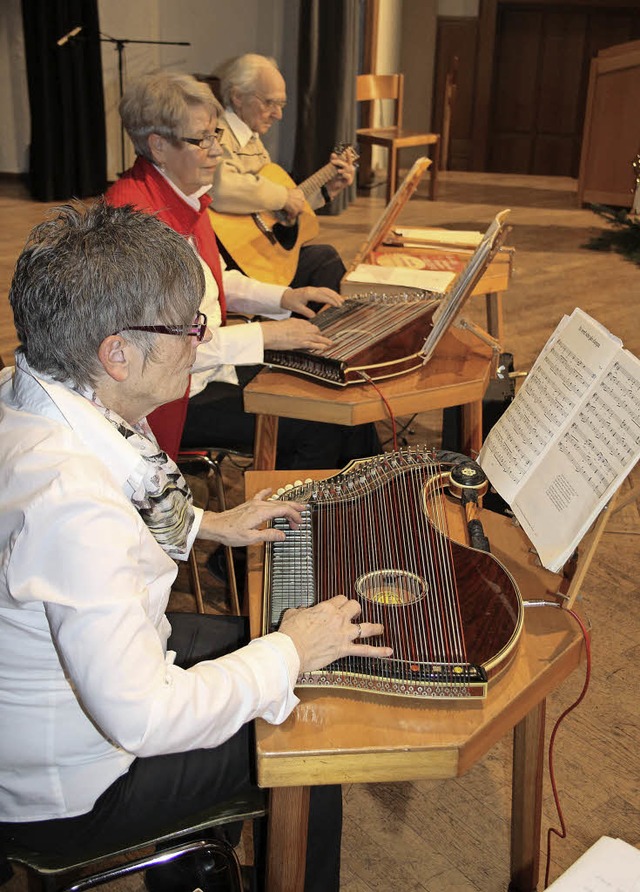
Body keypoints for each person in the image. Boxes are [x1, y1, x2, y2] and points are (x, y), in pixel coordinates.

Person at [0, 201, 392, 892]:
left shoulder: (30, 387)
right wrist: (292, 651)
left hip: (54, 710)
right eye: (186, 327)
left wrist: (212, 525)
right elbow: (143, 717)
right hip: (69, 788)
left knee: (256, 644)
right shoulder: (74, 504)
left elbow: (126, 507)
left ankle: (194, 868)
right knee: (312, 730)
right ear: (114, 353)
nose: (198, 340)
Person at [106, 70, 380, 469]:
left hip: (211, 364)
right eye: (204, 140)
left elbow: (211, 279)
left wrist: (284, 297)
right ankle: (301, 528)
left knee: (348, 396)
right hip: (172, 395)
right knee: (322, 423)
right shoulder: (137, 223)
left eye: (217, 135)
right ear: (159, 146)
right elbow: (164, 350)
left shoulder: (181, 195)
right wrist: (267, 334)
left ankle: (375, 513)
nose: (217, 152)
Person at [213, 52, 354, 292]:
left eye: (281, 104)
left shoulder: (252, 141)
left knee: (323, 263)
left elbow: (273, 207)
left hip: (254, 250)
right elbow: (221, 188)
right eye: (269, 103)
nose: (278, 114)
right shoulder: (218, 136)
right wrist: (284, 197)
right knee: (325, 263)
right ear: (237, 96)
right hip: (227, 260)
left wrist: (326, 191)